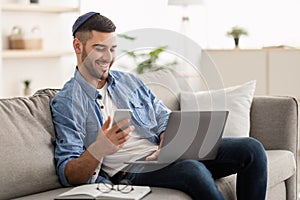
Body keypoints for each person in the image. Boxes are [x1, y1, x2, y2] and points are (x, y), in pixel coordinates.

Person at [51, 12, 268, 200]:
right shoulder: (66, 102)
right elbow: (68, 173)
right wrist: (99, 148)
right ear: (77, 46)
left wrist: (167, 135)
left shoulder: (128, 81)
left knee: (252, 149)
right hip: (129, 169)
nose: (108, 58)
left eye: (112, 49)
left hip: (162, 153)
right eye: (100, 49)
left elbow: (163, 115)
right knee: (192, 170)